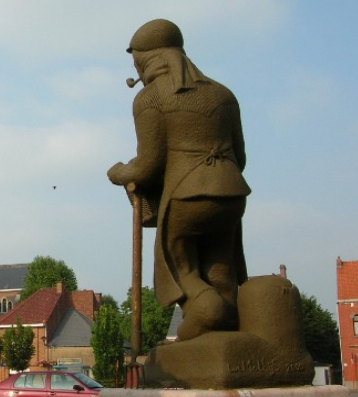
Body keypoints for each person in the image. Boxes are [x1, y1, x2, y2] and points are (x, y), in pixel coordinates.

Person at [107, 19, 251, 341]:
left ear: (148, 59)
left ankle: (204, 308)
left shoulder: (151, 99)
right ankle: (226, 340)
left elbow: (148, 166)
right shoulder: (223, 94)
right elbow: (239, 158)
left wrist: (119, 172)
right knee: (221, 263)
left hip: (187, 195)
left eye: (137, 63)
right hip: (232, 195)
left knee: (176, 257)